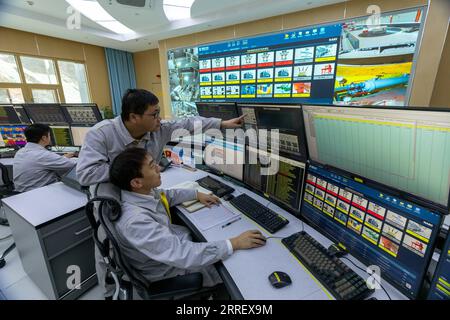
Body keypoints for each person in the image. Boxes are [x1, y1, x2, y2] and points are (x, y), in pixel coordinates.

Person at [76, 88, 245, 297]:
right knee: (110, 251)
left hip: (137, 194)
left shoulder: (157, 130)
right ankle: (111, 292)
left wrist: (221, 124)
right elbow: (85, 174)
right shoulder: (101, 134)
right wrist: (128, 168)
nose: (160, 119)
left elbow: (187, 124)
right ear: (134, 117)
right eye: (154, 114)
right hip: (116, 201)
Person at [109, 148, 266, 287]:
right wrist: (235, 243)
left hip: (174, 250)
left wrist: (196, 194)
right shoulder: (136, 222)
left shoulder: (141, 193)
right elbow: (182, 254)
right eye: (152, 166)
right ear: (136, 182)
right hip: (170, 271)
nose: (159, 167)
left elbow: (166, 195)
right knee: (240, 266)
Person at [13, 124, 76, 193]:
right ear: (44, 138)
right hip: (39, 194)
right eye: (49, 135)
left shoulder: (20, 152)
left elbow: (43, 161)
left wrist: (63, 158)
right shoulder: (43, 155)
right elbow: (74, 166)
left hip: (22, 194)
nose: (50, 137)